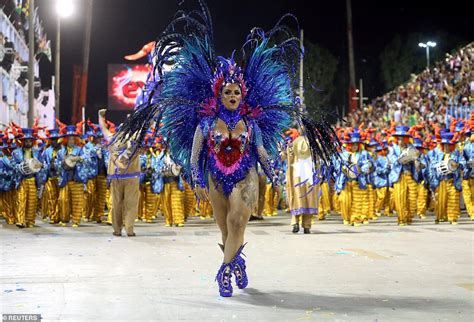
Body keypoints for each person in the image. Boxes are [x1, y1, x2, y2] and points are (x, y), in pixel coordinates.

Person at [114, 4, 339, 297]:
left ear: (242, 95)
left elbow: (260, 151)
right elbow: (195, 157)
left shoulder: (251, 123)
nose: (232, 95)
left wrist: (273, 174)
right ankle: (237, 262)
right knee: (226, 230)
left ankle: (223, 272)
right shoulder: (206, 124)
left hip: (245, 176)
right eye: (227, 92)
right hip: (214, 178)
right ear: (218, 94)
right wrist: (196, 180)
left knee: (237, 220)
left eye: (236, 92)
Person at [99, 109, 140, 237]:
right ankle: (129, 229)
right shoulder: (134, 138)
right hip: (131, 175)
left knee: (116, 203)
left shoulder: (112, 139)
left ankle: (117, 229)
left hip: (116, 176)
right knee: (131, 203)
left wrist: (100, 117)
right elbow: (142, 128)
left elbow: (103, 129)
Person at [56, 125, 89, 227]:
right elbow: (56, 164)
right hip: (65, 178)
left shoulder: (79, 149)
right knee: (63, 200)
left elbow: (86, 159)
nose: (71, 140)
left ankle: (76, 220)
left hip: (76, 178)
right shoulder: (61, 152)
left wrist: (78, 158)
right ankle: (64, 219)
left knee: (77, 200)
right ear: (65, 139)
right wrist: (61, 163)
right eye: (69, 138)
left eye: (73, 138)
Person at [11, 128, 44, 228]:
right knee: (20, 200)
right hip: (22, 179)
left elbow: (42, 164)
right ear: (23, 141)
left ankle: (30, 221)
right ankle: (20, 220)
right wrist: (19, 167)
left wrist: (40, 166)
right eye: (26, 140)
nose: (28, 142)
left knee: (32, 201)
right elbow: (13, 164)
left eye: (30, 140)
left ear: (32, 141)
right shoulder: (16, 152)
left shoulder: (37, 152)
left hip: (33, 180)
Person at [429, 132, 463, 224]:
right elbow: (432, 164)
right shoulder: (439, 154)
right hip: (441, 180)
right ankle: (440, 216)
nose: (446, 147)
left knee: (453, 199)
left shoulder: (456, 154)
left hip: (452, 180)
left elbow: (463, 163)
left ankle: (453, 218)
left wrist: (457, 165)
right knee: (440, 199)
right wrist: (437, 166)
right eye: (444, 144)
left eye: (448, 145)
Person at [40, 128, 62, 224]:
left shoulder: (63, 150)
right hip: (50, 178)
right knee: (51, 198)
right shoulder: (46, 151)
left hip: (61, 178)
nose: (54, 141)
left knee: (61, 198)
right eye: (52, 139)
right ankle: (53, 216)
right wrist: (49, 166)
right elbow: (43, 163)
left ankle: (61, 215)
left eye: (56, 139)